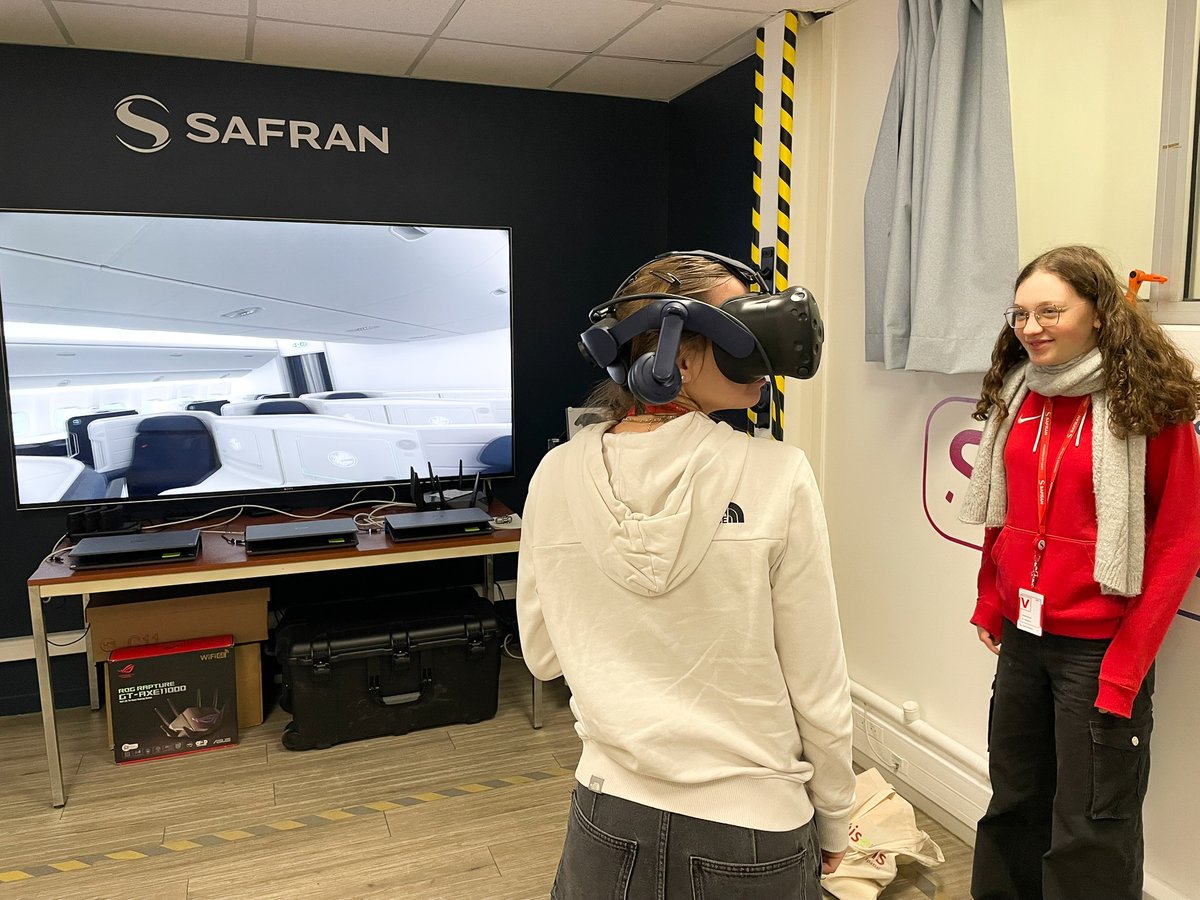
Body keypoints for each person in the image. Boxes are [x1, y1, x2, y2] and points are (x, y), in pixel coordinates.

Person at [517, 252, 855, 899]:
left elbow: (542, 657)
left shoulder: (554, 475)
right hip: (755, 829)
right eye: (741, 324)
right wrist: (836, 815)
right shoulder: (779, 475)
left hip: (605, 819)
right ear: (674, 349)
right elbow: (819, 687)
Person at [959, 245, 1200, 900]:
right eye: (1020, 313)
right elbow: (1002, 513)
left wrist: (1125, 666)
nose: (1031, 327)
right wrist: (990, 599)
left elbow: (1180, 540)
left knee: (1091, 823)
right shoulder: (1019, 394)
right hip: (1022, 640)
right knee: (1013, 803)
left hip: (1097, 650)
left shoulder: (1150, 407)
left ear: (1098, 315)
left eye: (1050, 311)